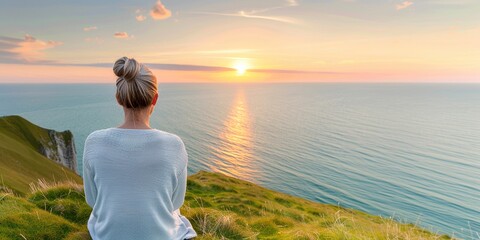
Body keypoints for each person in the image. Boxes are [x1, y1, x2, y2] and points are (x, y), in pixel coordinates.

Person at [82, 57, 197, 240]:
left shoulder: (93, 141)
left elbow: (92, 200)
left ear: (119, 98)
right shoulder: (174, 144)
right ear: (155, 98)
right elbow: (176, 202)